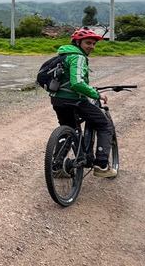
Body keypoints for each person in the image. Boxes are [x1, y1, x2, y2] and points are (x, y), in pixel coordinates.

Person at [50, 27, 117, 178]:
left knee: (68, 129)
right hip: (75, 100)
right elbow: (77, 83)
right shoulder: (78, 57)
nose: (91, 47)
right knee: (104, 124)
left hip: (57, 100)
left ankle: (57, 166)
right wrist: (96, 94)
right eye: (88, 43)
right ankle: (101, 165)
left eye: (94, 44)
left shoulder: (62, 54)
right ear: (77, 42)